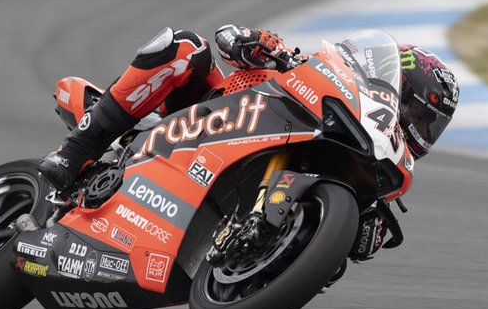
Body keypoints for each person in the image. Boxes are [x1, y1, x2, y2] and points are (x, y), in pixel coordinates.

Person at [37, 25, 459, 192]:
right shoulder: (321, 72)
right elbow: (229, 41)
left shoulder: (385, 161)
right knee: (185, 47)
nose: (418, 128)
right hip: (202, 117)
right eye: (419, 114)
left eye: (429, 127)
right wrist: (255, 44)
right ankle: (74, 153)